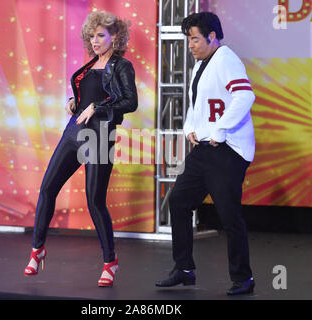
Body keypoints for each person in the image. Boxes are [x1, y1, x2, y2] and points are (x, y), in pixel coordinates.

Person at [24, 11, 138, 287]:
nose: (95, 40)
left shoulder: (122, 66)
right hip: (73, 134)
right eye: (92, 35)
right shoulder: (89, 66)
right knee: (48, 188)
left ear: (116, 37)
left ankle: (110, 261)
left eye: (101, 35)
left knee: (94, 201)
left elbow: (130, 102)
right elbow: (86, 95)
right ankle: (37, 250)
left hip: (99, 138)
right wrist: (73, 102)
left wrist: (97, 108)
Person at [155, 12, 256, 296]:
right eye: (189, 40)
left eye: (195, 39)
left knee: (229, 215)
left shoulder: (226, 59)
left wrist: (221, 130)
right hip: (204, 149)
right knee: (179, 201)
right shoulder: (201, 64)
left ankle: (243, 278)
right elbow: (198, 104)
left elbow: (245, 96)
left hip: (227, 150)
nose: (191, 45)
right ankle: (184, 269)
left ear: (212, 36)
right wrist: (190, 127)